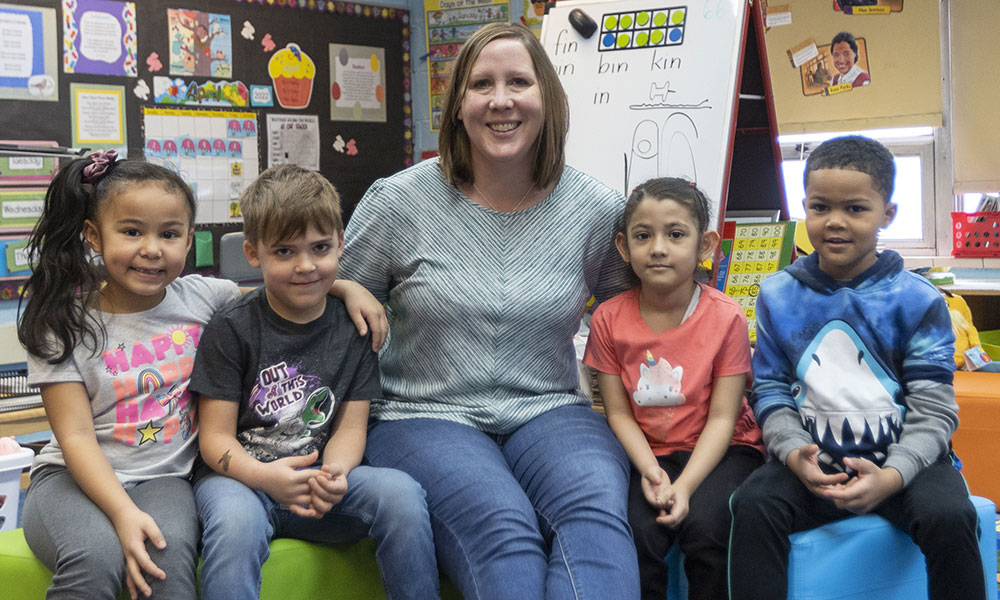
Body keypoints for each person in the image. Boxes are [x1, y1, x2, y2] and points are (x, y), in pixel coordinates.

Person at [339, 22, 640, 600]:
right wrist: (344, 288)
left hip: (550, 408)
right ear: (457, 107)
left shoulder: (597, 209)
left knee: (596, 516)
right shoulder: (398, 200)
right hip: (423, 414)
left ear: (547, 100)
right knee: (502, 526)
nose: (501, 100)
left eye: (519, 82)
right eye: (481, 85)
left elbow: (636, 314)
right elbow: (325, 304)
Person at [16, 153, 385, 600]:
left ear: (189, 241)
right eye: (132, 231)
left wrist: (348, 287)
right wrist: (122, 514)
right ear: (93, 235)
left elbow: (286, 286)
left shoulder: (205, 296)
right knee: (95, 559)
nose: (152, 248)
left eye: (169, 234)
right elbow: (74, 438)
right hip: (72, 479)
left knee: (167, 561)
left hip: (166, 479)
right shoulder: (61, 322)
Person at [728, 136, 986, 600]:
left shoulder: (918, 301)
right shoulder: (777, 295)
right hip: (813, 461)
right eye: (820, 207)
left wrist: (892, 475)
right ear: (804, 207)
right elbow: (769, 389)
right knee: (752, 505)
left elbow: (934, 409)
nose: (835, 222)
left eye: (856, 209)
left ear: (887, 213)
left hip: (908, 463)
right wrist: (793, 454)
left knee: (951, 517)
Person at [190, 164, 440, 600]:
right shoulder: (231, 328)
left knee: (401, 494)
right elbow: (214, 440)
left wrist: (337, 474)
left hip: (317, 482)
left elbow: (350, 426)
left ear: (341, 245)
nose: (306, 266)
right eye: (284, 252)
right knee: (234, 527)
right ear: (254, 253)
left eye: (320, 247)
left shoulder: (355, 326)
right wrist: (263, 477)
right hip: (241, 481)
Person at [583, 178, 764, 600]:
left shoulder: (727, 318)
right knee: (638, 532)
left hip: (723, 450)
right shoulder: (608, 319)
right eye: (643, 236)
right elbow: (619, 413)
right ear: (624, 248)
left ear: (705, 246)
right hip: (647, 453)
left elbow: (723, 417)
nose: (658, 248)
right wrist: (650, 471)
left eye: (676, 234)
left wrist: (683, 487)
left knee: (709, 528)